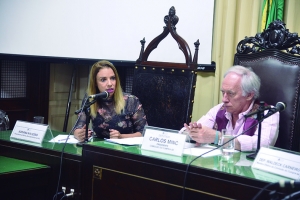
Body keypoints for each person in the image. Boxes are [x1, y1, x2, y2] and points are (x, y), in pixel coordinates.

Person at [182, 65, 279, 151]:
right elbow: (186, 132)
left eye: (230, 93)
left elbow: (263, 144)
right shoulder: (220, 109)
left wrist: (219, 138)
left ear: (249, 95)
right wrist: (192, 133)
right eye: (223, 92)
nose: (224, 99)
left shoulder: (268, 113)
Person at [73, 60, 147, 141]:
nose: (109, 84)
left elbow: (144, 132)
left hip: (125, 150)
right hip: (99, 148)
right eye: (103, 80)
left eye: (112, 78)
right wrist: (79, 134)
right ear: (95, 83)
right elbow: (78, 127)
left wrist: (121, 137)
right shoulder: (91, 99)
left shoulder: (131, 101)